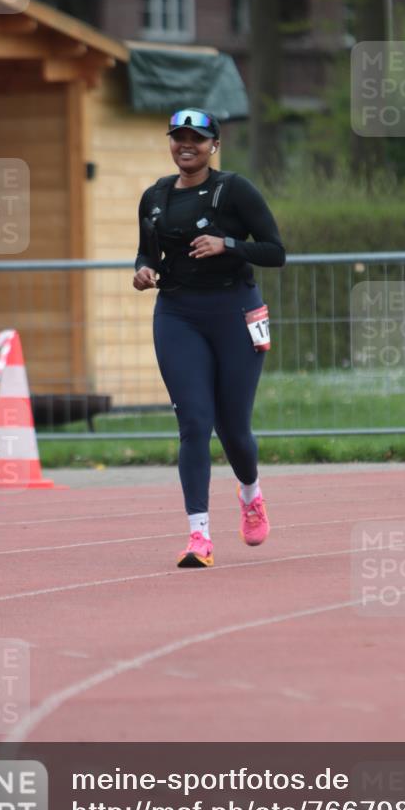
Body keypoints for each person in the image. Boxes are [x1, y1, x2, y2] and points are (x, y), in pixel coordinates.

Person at [133, 108, 285, 568]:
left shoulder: (233, 190)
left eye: (196, 139)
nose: (186, 145)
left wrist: (229, 245)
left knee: (233, 428)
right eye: (179, 137)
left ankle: (251, 494)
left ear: (213, 145)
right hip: (177, 315)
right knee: (194, 423)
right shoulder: (154, 197)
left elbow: (275, 251)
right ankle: (199, 536)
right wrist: (142, 269)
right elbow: (147, 249)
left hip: (234, 311)